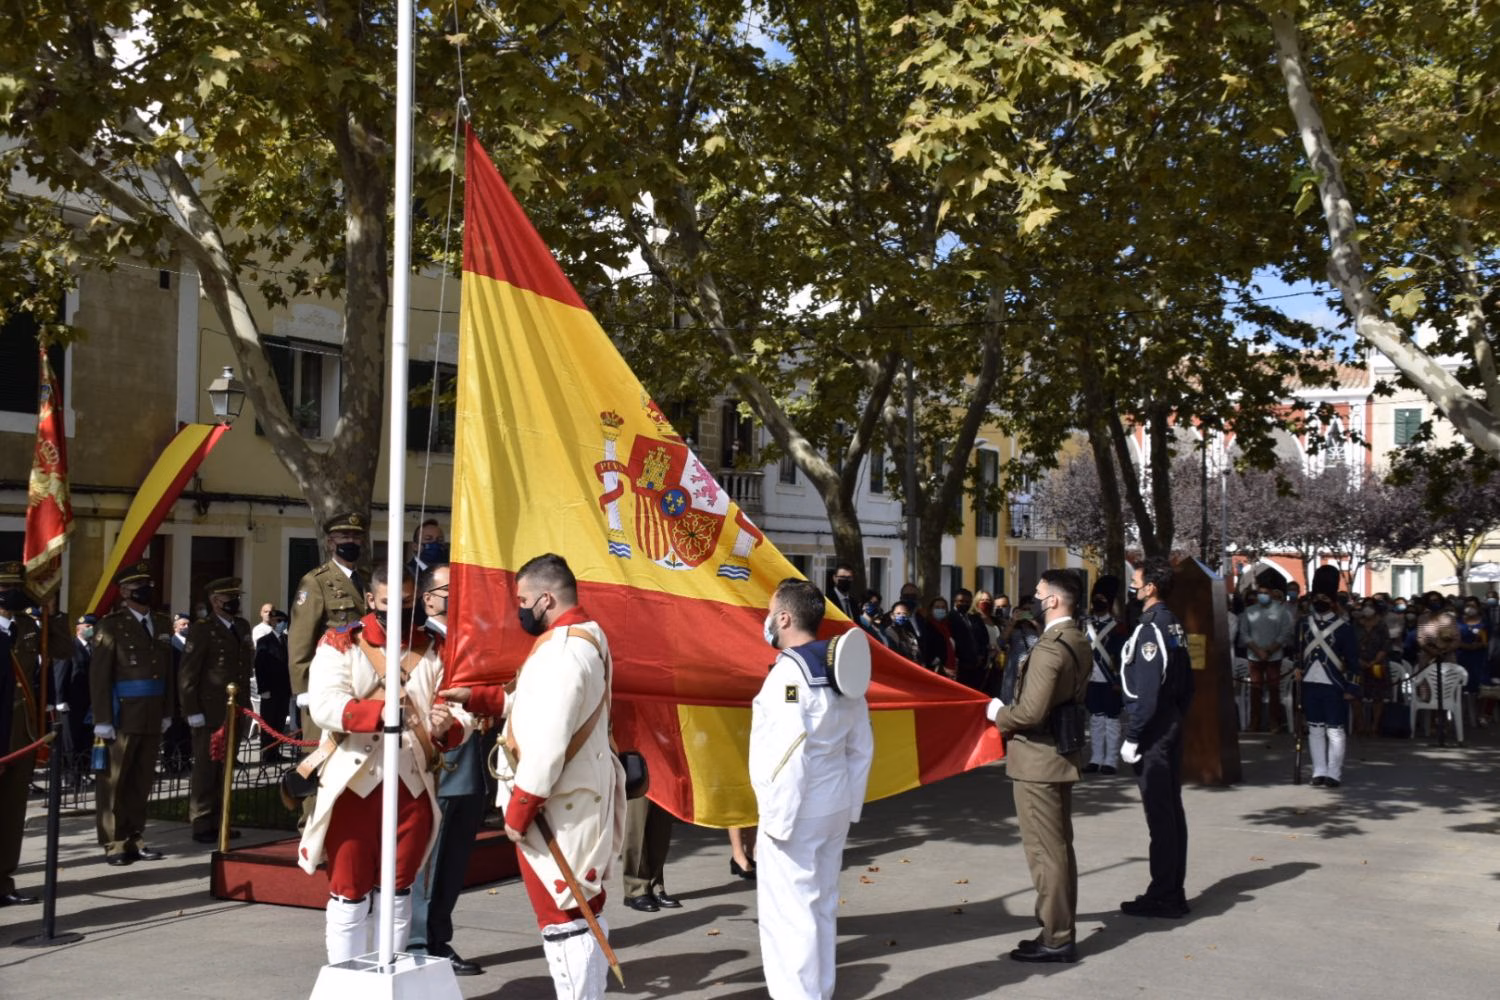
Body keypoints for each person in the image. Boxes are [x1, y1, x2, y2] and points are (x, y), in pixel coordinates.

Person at [439, 553, 625, 1000]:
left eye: (523, 600)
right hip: (576, 799)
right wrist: (480, 699)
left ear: (545, 599)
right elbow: (533, 703)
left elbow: (546, 744)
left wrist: (519, 810)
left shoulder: (560, 652)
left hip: (556, 809)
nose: (519, 608)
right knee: (583, 911)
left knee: (565, 919)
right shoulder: (585, 636)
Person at [298, 564, 466, 963]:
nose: (401, 610)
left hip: (412, 784)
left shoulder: (435, 647)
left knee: (399, 889)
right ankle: (347, 979)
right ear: (372, 601)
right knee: (348, 889)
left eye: (408, 602)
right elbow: (324, 704)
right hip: (355, 783)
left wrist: (449, 725)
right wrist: (382, 713)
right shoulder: (341, 643)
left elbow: (458, 706)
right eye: (391, 603)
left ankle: (387, 973)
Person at [752, 578, 874, 998]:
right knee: (821, 906)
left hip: (798, 810)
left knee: (790, 913)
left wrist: (776, 821)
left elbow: (787, 753)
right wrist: (850, 804)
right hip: (833, 803)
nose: (766, 620)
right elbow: (861, 747)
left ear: (784, 618)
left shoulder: (789, 674)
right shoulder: (842, 670)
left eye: (770, 612)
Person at [985, 569, 1090, 963]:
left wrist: (998, 712)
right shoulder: (1076, 639)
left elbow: (1029, 711)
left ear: (1055, 601)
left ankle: (1057, 937)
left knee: (1046, 854)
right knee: (1059, 849)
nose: (1034, 597)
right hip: (1058, 756)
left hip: (1038, 760)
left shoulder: (1049, 647)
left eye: (1039, 592)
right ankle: (1056, 928)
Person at [407, 562, 489, 976]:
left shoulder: (469, 638)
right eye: (449, 589)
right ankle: (421, 942)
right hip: (437, 759)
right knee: (430, 858)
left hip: (471, 758)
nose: (458, 597)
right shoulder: (416, 642)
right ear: (428, 598)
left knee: (454, 859)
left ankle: (439, 936)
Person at [1119, 556, 1194, 918]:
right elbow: (1187, 686)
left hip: (1154, 732)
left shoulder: (1151, 629)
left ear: (1150, 587)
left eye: (1136, 580)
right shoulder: (1173, 624)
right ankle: (1170, 889)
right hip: (1169, 724)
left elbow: (1147, 692)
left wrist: (1134, 735)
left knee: (1161, 817)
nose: (1132, 585)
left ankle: (1165, 894)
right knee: (1170, 813)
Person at [90, 560, 175, 866]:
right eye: (139, 586)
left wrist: (168, 710)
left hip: (152, 712)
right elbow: (99, 676)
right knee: (115, 782)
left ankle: (135, 837)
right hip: (122, 715)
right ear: (125, 591)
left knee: (141, 781)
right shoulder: (111, 625)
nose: (146, 590)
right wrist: (102, 719)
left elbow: (168, 672)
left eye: (147, 585)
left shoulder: (162, 623)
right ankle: (114, 842)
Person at [179, 577, 255, 843]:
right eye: (228, 598)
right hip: (210, 710)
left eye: (236, 597)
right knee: (206, 769)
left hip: (236, 709)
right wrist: (192, 710)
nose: (234, 602)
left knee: (226, 767)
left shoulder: (242, 626)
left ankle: (222, 820)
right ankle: (201, 822)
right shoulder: (203, 629)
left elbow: (245, 667)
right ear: (215, 601)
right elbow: (188, 673)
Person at [289, 511, 369, 752]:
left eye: (356, 537)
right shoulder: (316, 583)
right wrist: (303, 690)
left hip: (364, 681)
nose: (351, 542)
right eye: (344, 536)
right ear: (330, 542)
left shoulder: (367, 580)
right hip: (328, 683)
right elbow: (300, 640)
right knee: (323, 758)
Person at [1295, 567, 1361, 788]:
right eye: (1317, 597)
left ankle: (1334, 773)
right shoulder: (1304, 624)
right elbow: (1298, 651)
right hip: (1310, 683)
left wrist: (1352, 687)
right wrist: (1297, 668)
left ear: (1333, 601)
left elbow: (1354, 661)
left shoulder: (1344, 628)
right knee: (1314, 729)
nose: (1320, 601)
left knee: (1335, 730)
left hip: (1333, 684)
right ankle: (1319, 770)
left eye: (1324, 597)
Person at [0, 562, 42, 906]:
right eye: (4, 589)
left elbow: (61, 652)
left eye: (15, 588)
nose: (10, 595)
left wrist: (53, 612)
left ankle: (4, 880)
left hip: (21, 731)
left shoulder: (29, 627)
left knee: (13, 812)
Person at [1082, 577, 1127, 774]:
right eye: (1096, 598)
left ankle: (1111, 760)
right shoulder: (1085, 625)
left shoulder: (1119, 627)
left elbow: (1125, 657)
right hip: (1091, 680)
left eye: (1102, 599)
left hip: (1111, 681)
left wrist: (1119, 680)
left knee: (1112, 720)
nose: (1097, 602)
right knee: (1095, 720)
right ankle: (1095, 758)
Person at [1241, 581, 1295, 733]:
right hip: (1254, 656)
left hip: (1274, 657)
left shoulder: (1281, 611)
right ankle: (1254, 722)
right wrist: (1257, 650)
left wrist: (1270, 650)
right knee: (1255, 690)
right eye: (1260, 593)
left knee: (1274, 689)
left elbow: (1285, 633)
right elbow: (1244, 633)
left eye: (1265, 592)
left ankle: (1274, 722)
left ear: (1271, 594)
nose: (1262, 595)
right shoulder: (1249, 611)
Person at [55, 613, 98, 779]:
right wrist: (60, 699)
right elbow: (61, 673)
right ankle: (72, 776)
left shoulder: (94, 648)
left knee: (86, 738)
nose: (91, 630)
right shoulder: (70, 647)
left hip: (89, 702)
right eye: (87, 627)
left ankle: (84, 772)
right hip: (71, 702)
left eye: (93, 626)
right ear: (78, 629)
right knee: (70, 740)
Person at [622, 799, 680, 912]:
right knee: (636, 826)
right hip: (642, 782)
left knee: (661, 828)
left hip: (664, 781)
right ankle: (636, 889)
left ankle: (655, 886)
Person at [254, 610, 292, 761]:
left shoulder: (287, 640)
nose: (282, 624)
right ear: (273, 622)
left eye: (284, 621)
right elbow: (260, 666)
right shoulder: (264, 641)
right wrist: (263, 689)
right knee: (268, 721)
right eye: (279, 621)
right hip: (269, 688)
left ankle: (276, 751)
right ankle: (266, 752)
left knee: (280, 721)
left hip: (284, 688)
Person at [949, 588, 992, 690]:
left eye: (967, 602)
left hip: (977, 667)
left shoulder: (974, 618)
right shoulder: (949, 619)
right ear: (954, 601)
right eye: (961, 601)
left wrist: (982, 655)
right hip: (960, 668)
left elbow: (984, 637)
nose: (964, 604)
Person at [882, 600, 922, 664]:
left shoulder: (910, 635)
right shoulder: (889, 632)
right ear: (892, 615)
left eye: (904, 614)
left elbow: (917, 654)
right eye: (898, 613)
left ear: (908, 615)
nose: (901, 616)